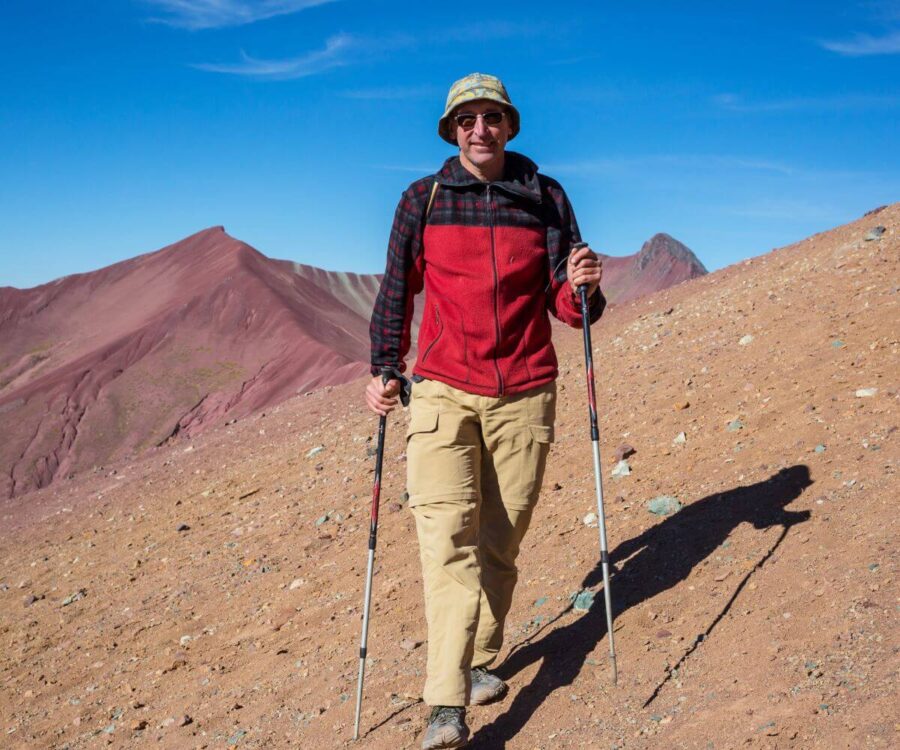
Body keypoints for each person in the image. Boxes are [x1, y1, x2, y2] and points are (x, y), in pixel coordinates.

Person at [365, 72, 605, 750]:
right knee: (448, 547)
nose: (480, 129)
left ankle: (475, 658)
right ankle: (446, 705)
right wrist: (384, 369)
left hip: (526, 392)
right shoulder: (426, 199)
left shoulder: (545, 197)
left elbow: (567, 302)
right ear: (451, 129)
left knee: (501, 542)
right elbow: (396, 292)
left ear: (509, 125)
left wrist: (583, 289)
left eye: (491, 117)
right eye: (466, 118)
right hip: (443, 390)